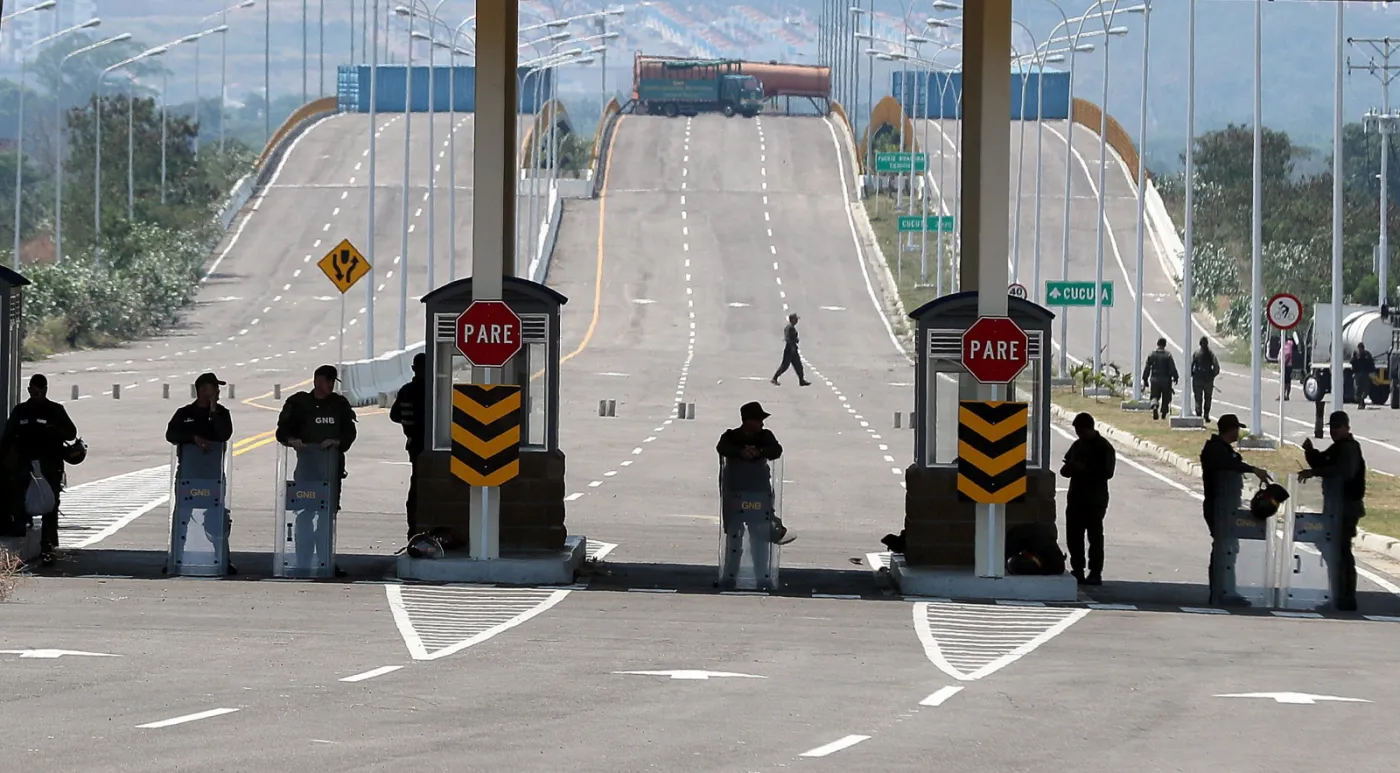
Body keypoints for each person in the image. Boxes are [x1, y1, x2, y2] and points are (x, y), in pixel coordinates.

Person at [276, 365, 358, 577]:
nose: (330, 385)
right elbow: (282, 431)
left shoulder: (338, 404)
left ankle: (325, 560)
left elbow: (350, 432)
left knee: (327, 516)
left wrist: (337, 441)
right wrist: (292, 440)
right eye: (326, 380)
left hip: (330, 469)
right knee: (304, 514)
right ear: (316, 381)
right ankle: (303, 560)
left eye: (332, 381)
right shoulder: (299, 403)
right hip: (307, 468)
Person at [0, 374, 78, 566]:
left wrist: (53, 430)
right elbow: (7, 438)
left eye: (41, 391)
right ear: (29, 390)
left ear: (46, 390)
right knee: (18, 500)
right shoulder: (21, 411)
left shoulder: (55, 410)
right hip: (24, 464)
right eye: (35, 391)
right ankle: (18, 538)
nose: (38, 395)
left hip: (50, 465)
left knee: (50, 506)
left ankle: (48, 546)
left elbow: (71, 433)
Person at [716, 402, 794, 589]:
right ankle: (730, 576)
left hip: (759, 493)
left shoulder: (765, 437)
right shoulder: (731, 436)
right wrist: (740, 452)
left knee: (759, 537)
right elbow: (722, 448)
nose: (761, 424)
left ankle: (762, 578)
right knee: (734, 536)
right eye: (758, 420)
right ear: (748, 421)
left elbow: (776, 450)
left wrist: (759, 451)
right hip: (735, 493)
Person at [164, 372, 236, 575]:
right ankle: (176, 557)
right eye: (214, 388)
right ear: (202, 390)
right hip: (188, 475)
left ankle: (223, 558)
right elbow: (171, 434)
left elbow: (224, 434)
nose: (218, 391)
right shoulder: (184, 413)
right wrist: (193, 437)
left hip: (213, 475)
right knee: (182, 518)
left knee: (216, 518)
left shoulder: (222, 413)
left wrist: (213, 411)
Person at [1199, 414, 1272, 606]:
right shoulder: (1215, 450)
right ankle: (1221, 592)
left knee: (1229, 548)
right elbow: (1229, 465)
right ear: (1230, 429)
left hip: (1228, 506)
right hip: (1219, 506)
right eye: (1236, 429)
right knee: (1224, 549)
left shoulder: (1222, 449)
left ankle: (1226, 590)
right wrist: (1252, 469)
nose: (1238, 433)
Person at [1299, 410, 1365, 612]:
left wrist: (1315, 471)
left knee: (1341, 551)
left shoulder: (1350, 448)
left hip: (1346, 508)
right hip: (1335, 507)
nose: (1334, 431)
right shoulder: (1338, 448)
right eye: (1332, 427)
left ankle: (1346, 596)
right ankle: (1338, 594)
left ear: (1347, 428)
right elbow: (1324, 462)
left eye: (1338, 427)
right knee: (1333, 550)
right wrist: (1310, 453)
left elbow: (1343, 471)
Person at [1059, 412, 1116, 585]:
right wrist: (1070, 467)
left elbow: (1108, 473)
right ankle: (1077, 569)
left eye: (1081, 430)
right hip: (1076, 497)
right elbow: (1065, 470)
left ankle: (1095, 572)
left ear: (1089, 428)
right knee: (1073, 536)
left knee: (1095, 537)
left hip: (1095, 499)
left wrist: (1084, 469)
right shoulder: (1077, 446)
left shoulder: (1104, 447)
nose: (1079, 434)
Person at [389, 352, 427, 542]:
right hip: (432, 445)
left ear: (413, 369)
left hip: (414, 443)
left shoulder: (406, 391)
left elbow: (394, 415)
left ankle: (413, 528)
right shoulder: (435, 389)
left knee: (417, 486)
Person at [1142, 337, 1179, 421]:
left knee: (1154, 395)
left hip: (1155, 379)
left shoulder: (1152, 354)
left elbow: (1147, 367)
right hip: (1166, 380)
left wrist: (1145, 379)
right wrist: (1176, 377)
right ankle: (1163, 414)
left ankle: (1155, 406)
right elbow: (1172, 368)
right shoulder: (1168, 355)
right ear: (1165, 345)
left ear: (1157, 344)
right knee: (1166, 397)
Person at [770, 313, 811, 387]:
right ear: (792, 319)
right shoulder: (790, 328)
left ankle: (801, 380)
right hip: (790, 349)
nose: (797, 321)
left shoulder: (790, 327)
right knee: (785, 366)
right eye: (796, 319)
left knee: (798, 365)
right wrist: (792, 344)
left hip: (792, 348)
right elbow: (788, 338)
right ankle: (774, 378)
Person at [1190, 337, 1220, 423]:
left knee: (1198, 398)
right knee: (1208, 398)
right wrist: (1212, 375)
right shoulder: (1211, 354)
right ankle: (1206, 415)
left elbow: (1191, 365)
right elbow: (1216, 367)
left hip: (1198, 378)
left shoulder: (1196, 353)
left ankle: (1199, 414)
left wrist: (1192, 374)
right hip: (1208, 379)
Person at [1351, 343, 1375, 410]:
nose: (1360, 350)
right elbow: (1351, 362)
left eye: (1361, 348)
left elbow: (1371, 363)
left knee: (1365, 389)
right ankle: (1360, 402)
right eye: (1359, 348)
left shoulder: (1367, 354)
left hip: (1365, 374)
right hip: (1357, 374)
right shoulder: (1355, 354)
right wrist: (1355, 358)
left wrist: (1372, 372)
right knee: (1357, 389)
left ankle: (1362, 401)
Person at [1281, 336, 1296, 400]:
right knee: (1286, 381)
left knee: (1286, 381)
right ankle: (1284, 395)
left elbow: (1289, 354)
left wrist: (1285, 363)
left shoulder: (1288, 345)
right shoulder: (1285, 345)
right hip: (1285, 365)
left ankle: (1285, 395)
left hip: (1287, 365)